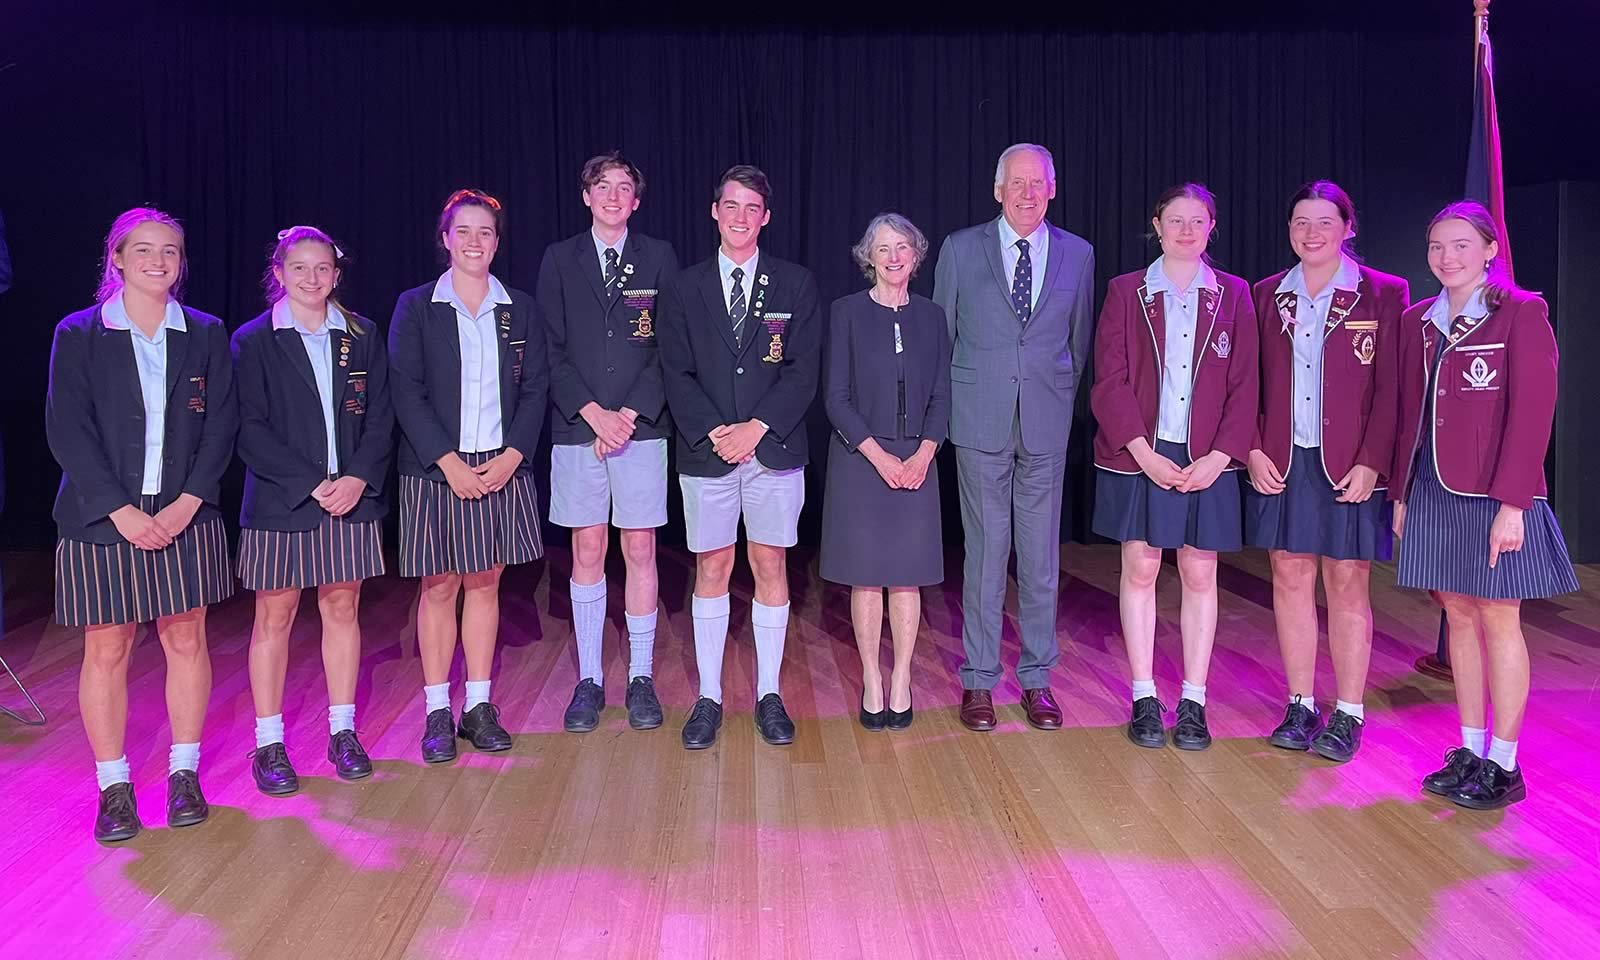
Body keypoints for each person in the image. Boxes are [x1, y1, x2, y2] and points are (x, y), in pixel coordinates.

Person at [46, 207, 237, 840]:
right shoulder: (79, 333)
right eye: (145, 250)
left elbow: (221, 426)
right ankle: (114, 786)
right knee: (109, 646)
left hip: (186, 513)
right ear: (118, 258)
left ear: (182, 264)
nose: (159, 260)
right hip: (103, 518)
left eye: (172, 251)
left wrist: (188, 503)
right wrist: (120, 510)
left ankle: (184, 773)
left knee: (186, 639)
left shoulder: (206, 332)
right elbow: (67, 430)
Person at [1391, 200, 1578, 810]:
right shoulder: (1420, 320)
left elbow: (1532, 414)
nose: (1447, 258)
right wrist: (1400, 493)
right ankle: (1470, 747)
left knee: (1499, 617)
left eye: (1461, 245)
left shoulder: (1521, 313)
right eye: (1437, 247)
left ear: (1490, 250)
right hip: (1433, 490)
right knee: (1457, 617)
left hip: (1493, 494)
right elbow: (1408, 418)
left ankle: (1506, 761)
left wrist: (1514, 503)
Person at [1088, 183, 1258, 751]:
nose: (1186, 230)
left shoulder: (1233, 294)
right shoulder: (1126, 291)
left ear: (1212, 227)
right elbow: (1108, 380)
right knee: (1139, 569)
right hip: (1142, 453)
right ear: (1156, 226)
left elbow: (1246, 385)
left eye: (1197, 220)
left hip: (1207, 458)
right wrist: (1140, 451)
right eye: (1175, 220)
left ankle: (1193, 701)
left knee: (1200, 573)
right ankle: (1142, 696)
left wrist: (1218, 457)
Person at [932, 143, 1095, 732]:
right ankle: (978, 680)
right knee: (984, 554)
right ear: (998, 190)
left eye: (1038, 183)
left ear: (1053, 189)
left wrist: (1055, 403)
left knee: (1041, 558)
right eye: (1017, 183)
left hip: (1046, 426)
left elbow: (1076, 348)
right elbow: (942, 339)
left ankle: (1037, 679)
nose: (1028, 193)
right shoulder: (960, 248)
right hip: (979, 421)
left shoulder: (1078, 254)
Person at [1246, 181, 1411, 763]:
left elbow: (1393, 390)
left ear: (1348, 227)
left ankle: (1348, 710)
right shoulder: (1267, 294)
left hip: (1351, 465)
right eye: (1300, 222)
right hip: (1284, 460)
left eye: (1323, 222)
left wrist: (1373, 461)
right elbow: (1251, 385)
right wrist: (1254, 448)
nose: (1311, 233)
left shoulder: (1384, 293)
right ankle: (1300, 703)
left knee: (1347, 581)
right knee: (1288, 577)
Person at [658, 164, 821, 750]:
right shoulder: (682, 287)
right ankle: (708, 695)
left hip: (773, 449)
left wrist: (757, 427)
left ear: (766, 217)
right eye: (731, 205)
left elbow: (803, 371)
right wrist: (717, 432)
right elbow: (674, 371)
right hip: (708, 453)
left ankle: (769, 694)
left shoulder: (796, 283)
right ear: (714, 211)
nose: (741, 217)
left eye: (752, 208)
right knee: (713, 567)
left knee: (772, 565)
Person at [232, 226, 394, 793]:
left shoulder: (361, 334)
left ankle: (342, 731)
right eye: (299, 268)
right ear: (278, 274)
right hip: (283, 502)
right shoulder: (252, 341)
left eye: (323, 268)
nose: (312, 278)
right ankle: (269, 743)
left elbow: (380, 417)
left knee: (343, 611)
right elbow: (247, 427)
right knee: (273, 619)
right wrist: (311, 483)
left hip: (350, 497)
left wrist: (356, 479)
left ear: (336, 275)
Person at [389, 189, 548, 763]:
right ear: (445, 238)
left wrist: (512, 456)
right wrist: (447, 462)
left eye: (485, 232)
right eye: (464, 231)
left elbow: (534, 390)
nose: (474, 242)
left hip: (501, 469)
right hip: (437, 473)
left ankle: (478, 706)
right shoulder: (415, 306)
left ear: (497, 242)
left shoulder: (520, 309)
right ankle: (437, 710)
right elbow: (405, 390)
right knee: (439, 587)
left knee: (485, 584)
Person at [537, 152, 679, 733]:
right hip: (579, 428)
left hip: (641, 428)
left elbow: (670, 345)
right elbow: (549, 348)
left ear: (637, 201)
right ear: (586, 196)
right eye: (603, 186)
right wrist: (595, 414)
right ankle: (589, 679)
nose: (614, 196)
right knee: (588, 549)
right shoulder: (559, 259)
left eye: (625, 188)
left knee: (641, 549)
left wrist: (627, 415)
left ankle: (640, 676)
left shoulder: (660, 257)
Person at [820, 213, 951, 731]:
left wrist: (922, 455)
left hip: (919, 461)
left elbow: (942, 394)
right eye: (882, 249)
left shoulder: (933, 317)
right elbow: (836, 398)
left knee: (907, 579)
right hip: (861, 460)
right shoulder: (846, 312)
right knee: (867, 579)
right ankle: (873, 678)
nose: (894, 257)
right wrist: (879, 456)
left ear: (916, 256)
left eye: (902, 248)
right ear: (867, 259)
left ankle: (902, 679)